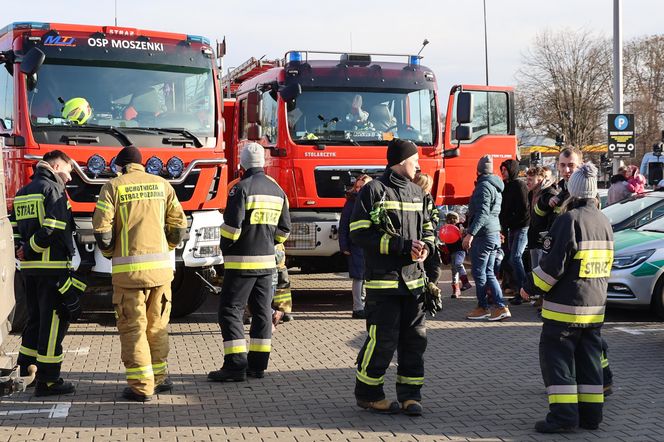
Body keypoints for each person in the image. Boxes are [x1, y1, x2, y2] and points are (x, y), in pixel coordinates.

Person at [521, 163, 613, 433]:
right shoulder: (604, 221)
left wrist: (529, 287)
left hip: (565, 310)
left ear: (572, 191)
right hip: (594, 308)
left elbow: (552, 268)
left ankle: (563, 418)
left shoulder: (569, 220)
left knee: (558, 363)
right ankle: (591, 417)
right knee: (590, 364)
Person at [92, 146, 187, 402]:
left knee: (133, 329)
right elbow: (179, 224)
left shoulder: (113, 186)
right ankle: (160, 379)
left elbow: (102, 230)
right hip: (161, 273)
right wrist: (166, 247)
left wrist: (112, 252)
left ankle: (142, 387)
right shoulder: (162, 184)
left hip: (129, 274)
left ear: (120, 166)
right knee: (157, 326)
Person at [349, 138, 434, 416]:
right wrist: (401, 246)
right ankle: (369, 394)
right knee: (382, 341)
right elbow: (359, 234)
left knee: (415, 341)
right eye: (415, 159)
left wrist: (426, 249)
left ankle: (411, 396)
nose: (419, 164)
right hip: (383, 284)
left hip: (413, 284)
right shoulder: (374, 191)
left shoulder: (418, 193)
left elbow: (430, 228)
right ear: (400, 162)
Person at [208, 143, 291, 382]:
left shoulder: (240, 189)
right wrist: (267, 242)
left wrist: (223, 247)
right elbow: (284, 230)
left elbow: (232, 229)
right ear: (263, 162)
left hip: (241, 263)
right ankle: (257, 366)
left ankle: (235, 366)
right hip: (267, 264)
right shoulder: (277, 190)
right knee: (263, 313)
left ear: (241, 164)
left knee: (230, 311)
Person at [11, 150, 76, 396]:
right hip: (52, 269)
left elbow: (15, 228)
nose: (69, 178)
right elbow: (54, 226)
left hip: (30, 271)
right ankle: (48, 380)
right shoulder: (52, 189)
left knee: (35, 320)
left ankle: (26, 370)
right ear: (56, 165)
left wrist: (23, 250)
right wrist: (30, 248)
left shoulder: (22, 192)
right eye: (68, 171)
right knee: (52, 324)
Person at [463, 155, 511, 321]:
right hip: (493, 233)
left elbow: (482, 213)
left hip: (484, 235)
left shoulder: (483, 187)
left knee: (479, 272)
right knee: (489, 272)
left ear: (478, 171)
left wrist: (470, 233)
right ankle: (498, 306)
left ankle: (486, 306)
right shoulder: (496, 186)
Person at [339, 174, 373, 319]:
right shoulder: (351, 202)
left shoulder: (372, 201)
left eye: (362, 187)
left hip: (370, 245)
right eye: (357, 186)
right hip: (356, 245)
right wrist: (344, 246)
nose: (358, 189)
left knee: (367, 277)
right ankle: (357, 308)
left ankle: (365, 306)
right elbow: (343, 226)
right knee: (358, 277)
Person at [499, 159, 530, 306]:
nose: (502, 173)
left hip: (521, 227)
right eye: (502, 170)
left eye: (505, 170)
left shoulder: (519, 185)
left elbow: (524, 209)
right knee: (511, 259)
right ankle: (519, 289)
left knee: (516, 257)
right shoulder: (507, 186)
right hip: (512, 228)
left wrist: (511, 221)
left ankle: (524, 290)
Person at [413, 172, 443, 292]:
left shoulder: (428, 198)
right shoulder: (412, 197)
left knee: (435, 270)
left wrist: (430, 226)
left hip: (428, 238)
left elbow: (434, 215)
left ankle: (430, 289)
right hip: (415, 238)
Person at [526, 166, 558, 270]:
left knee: (541, 271)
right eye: (527, 179)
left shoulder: (550, 193)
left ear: (540, 180)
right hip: (533, 239)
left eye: (530, 179)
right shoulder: (531, 193)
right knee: (534, 270)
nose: (527, 182)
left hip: (544, 241)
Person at [439, 212, 471, 298]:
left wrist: (463, 231)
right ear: (447, 220)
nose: (452, 220)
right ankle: (456, 290)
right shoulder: (445, 228)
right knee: (454, 271)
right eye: (449, 218)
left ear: (457, 219)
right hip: (451, 252)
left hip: (460, 250)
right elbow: (443, 238)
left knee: (458, 264)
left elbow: (467, 227)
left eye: (454, 218)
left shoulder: (459, 225)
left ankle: (466, 282)